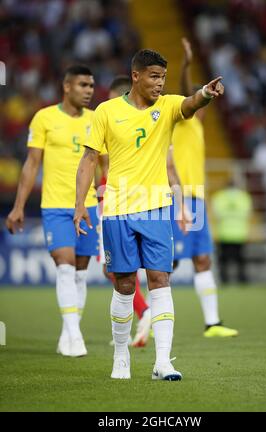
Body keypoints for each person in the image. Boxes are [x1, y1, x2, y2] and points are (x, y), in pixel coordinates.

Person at [74, 49, 224, 381]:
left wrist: (204, 94)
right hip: (116, 210)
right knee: (125, 285)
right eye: (154, 77)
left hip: (156, 209)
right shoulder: (106, 112)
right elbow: (87, 160)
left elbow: (190, 104)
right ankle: (121, 356)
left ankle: (163, 362)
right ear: (137, 75)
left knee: (160, 280)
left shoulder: (168, 105)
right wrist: (79, 203)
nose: (159, 84)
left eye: (163, 78)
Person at [6, 65, 98, 357]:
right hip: (55, 205)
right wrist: (18, 206)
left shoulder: (97, 120)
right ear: (67, 87)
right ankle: (75, 336)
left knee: (81, 273)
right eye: (83, 85)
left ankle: (66, 334)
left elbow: (104, 163)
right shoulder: (44, 118)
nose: (89, 91)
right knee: (65, 265)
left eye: (92, 86)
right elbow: (32, 163)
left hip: (89, 206)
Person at [170, 38, 238, 337]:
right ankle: (147, 320)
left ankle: (212, 323)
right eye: (202, 100)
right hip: (175, 198)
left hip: (196, 200)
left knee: (202, 259)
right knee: (165, 262)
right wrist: (186, 64)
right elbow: (188, 90)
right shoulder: (183, 119)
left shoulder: (198, 125)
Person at [99, 75, 152, 348]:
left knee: (115, 267)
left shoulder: (113, 122)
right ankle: (139, 316)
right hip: (138, 198)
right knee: (121, 267)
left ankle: (143, 312)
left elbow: (106, 167)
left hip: (112, 199)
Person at [211, 179, 253, 284]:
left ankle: (224, 280)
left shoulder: (219, 197)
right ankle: (242, 280)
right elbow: (247, 213)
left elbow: (217, 214)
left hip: (224, 233)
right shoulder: (244, 197)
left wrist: (228, 214)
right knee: (240, 259)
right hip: (240, 233)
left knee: (224, 260)